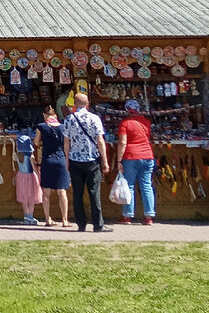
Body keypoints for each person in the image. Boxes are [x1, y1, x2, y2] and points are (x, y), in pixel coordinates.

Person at [63, 91, 110, 231]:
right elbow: (100, 141)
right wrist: (105, 160)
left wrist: (66, 160)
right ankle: (97, 224)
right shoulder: (94, 118)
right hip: (92, 160)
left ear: (74, 104)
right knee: (94, 193)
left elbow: (66, 142)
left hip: (75, 160)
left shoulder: (69, 119)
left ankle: (81, 224)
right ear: (87, 103)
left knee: (77, 194)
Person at [115, 99, 156, 224]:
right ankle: (149, 216)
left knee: (129, 186)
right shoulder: (146, 122)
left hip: (130, 156)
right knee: (146, 186)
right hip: (147, 155)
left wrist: (118, 160)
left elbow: (122, 143)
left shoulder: (125, 123)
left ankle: (127, 215)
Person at [34, 105, 70, 227]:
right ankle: (65, 220)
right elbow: (66, 144)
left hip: (47, 160)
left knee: (46, 193)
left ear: (45, 116)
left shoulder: (42, 127)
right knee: (62, 191)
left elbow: (36, 142)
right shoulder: (63, 127)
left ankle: (48, 219)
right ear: (55, 115)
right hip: (61, 160)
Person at [14, 132, 43, 225]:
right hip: (30, 177)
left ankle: (26, 216)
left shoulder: (18, 156)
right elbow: (34, 168)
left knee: (24, 198)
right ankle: (30, 216)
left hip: (21, 177)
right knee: (31, 198)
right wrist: (39, 174)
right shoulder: (31, 156)